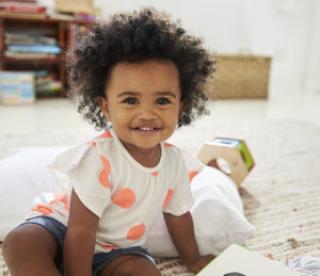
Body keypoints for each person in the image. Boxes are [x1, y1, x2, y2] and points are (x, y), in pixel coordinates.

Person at [3, 7, 215, 276]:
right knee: (21, 242)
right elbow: (81, 230)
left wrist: (194, 260)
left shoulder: (175, 163)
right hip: (61, 230)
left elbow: (178, 216)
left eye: (162, 100)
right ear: (105, 106)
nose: (147, 113)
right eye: (130, 100)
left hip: (119, 251)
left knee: (146, 272)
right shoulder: (99, 158)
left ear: (182, 106)